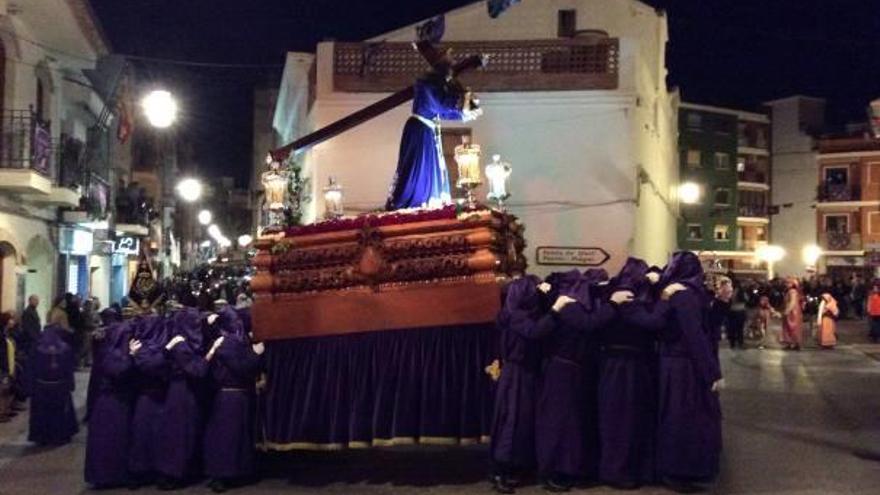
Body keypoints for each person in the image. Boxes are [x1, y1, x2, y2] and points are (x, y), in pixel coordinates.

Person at [534, 270, 620, 491]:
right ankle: (556, 471)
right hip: (563, 371)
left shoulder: (568, 302)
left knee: (570, 424)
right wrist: (613, 304)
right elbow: (588, 323)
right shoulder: (569, 306)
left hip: (569, 370)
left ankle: (567, 469)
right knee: (562, 424)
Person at [597, 258, 668, 489]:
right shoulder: (627, 298)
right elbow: (652, 323)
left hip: (618, 365)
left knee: (620, 419)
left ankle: (621, 469)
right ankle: (620, 471)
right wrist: (664, 296)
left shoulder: (614, 294)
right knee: (624, 420)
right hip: (626, 367)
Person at [656, 252, 723, 492]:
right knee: (683, 417)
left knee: (680, 416)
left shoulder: (679, 292)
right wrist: (711, 372)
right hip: (684, 367)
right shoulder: (684, 295)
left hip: (679, 364)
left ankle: (681, 469)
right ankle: (679, 470)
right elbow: (694, 335)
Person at [385, 47, 481, 210]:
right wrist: (463, 102)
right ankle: (415, 200)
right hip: (419, 131)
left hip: (428, 130)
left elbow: (442, 111)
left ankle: (429, 199)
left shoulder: (434, 85)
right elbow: (441, 104)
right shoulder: (426, 84)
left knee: (430, 167)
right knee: (418, 168)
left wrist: (464, 114)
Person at [489, 275, 554, 494]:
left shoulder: (511, 313)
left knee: (518, 421)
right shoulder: (517, 316)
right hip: (518, 373)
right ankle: (502, 471)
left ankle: (511, 467)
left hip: (520, 372)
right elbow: (534, 332)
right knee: (513, 421)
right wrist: (555, 310)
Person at [203, 307, 264, 493]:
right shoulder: (229, 343)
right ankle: (222, 475)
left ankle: (231, 473)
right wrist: (257, 354)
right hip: (231, 397)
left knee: (232, 437)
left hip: (232, 396)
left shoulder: (227, 341)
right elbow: (243, 366)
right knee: (228, 438)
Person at [156, 307, 209, 489]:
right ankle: (175, 473)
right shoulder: (181, 344)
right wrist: (209, 357)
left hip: (183, 392)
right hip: (182, 394)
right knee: (179, 434)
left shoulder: (182, 342)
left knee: (183, 432)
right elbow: (197, 370)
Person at [84, 309, 134, 488]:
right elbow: (117, 369)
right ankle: (109, 475)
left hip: (106, 397)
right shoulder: (112, 346)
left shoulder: (103, 339)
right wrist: (132, 356)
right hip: (112, 398)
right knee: (112, 439)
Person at [28, 323, 78, 445]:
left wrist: (30, 386)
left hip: (41, 385)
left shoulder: (37, 348)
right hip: (60, 385)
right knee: (59, 412)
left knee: (42, 413)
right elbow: (69, 368)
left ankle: (42, 437)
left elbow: (31, 368)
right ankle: (60, 436)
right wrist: (71, 384)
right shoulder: (65, 348)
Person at [0, 312, 16, 422]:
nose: (13, 321)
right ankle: (2, 413)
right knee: (3, 390)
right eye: (11, 319)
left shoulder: (7, 333)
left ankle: (5, 410)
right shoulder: (2, 334)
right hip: (3, 366)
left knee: (7, 389)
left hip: (8, 365)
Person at [781, 278, 804, 351]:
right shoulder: (792, 291)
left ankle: (793, 343)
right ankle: (792, 343)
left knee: (792, 327)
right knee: (791, 327)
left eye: (788, 283)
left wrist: (787, 311)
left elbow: (792, 302)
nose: (786, 284)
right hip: (794, 310)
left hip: (793, 312)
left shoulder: (792, 291)